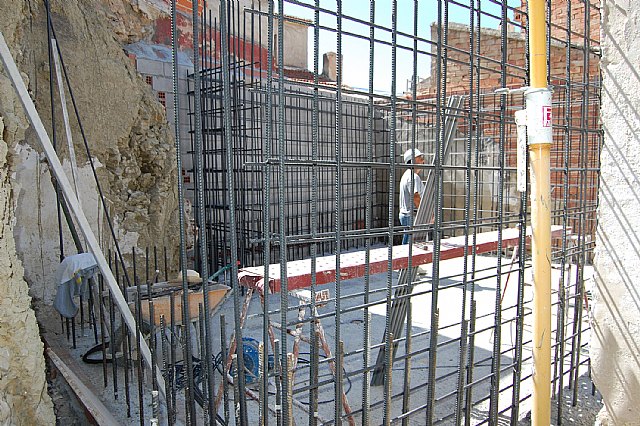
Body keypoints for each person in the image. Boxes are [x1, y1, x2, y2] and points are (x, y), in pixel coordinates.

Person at [399, 148, 425, 244]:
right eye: (420, 158)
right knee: (410, 247)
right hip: (410, 216)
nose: (423, 160)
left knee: (409, 244)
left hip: (408, 216)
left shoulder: (407, 175)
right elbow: (415, 197)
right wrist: (424, 213)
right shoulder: (412, 177)